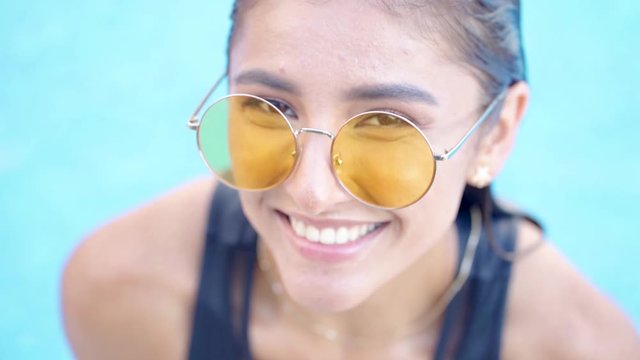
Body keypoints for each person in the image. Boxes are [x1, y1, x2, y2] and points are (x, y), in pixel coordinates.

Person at [62, 0, 640, 359]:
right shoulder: (125, 294)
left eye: (387, 126)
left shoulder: (577, 349)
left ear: (496, 135)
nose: (311, 191)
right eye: (271, 107)